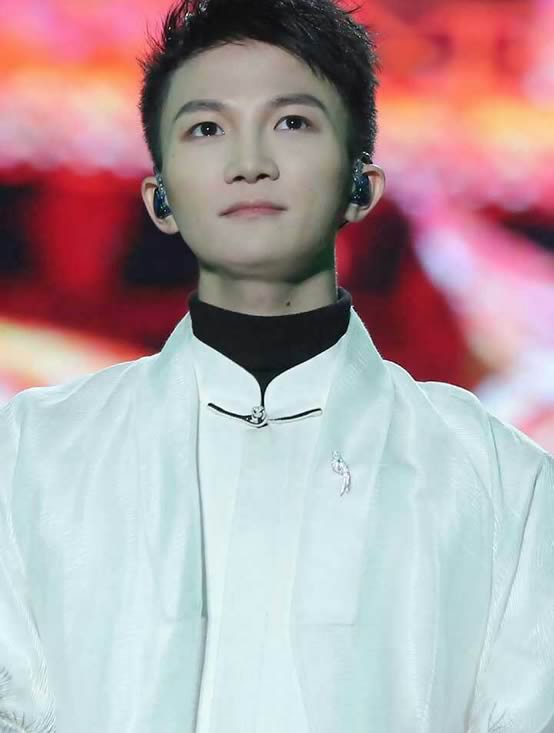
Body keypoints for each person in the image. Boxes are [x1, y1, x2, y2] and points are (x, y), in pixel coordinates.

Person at [0, 0, 552, 731]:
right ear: (159, 197)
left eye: (293, 123)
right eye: (207, 128)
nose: (250, 163)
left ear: (363, 186)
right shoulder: (35, 455)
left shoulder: (498, 477)